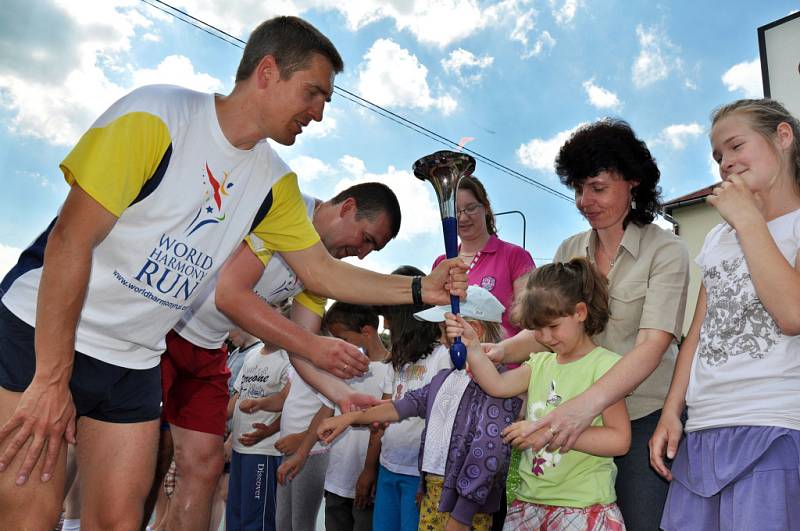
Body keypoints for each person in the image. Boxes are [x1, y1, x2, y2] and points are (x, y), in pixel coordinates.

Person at [0, 15, 465, 530]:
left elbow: (323, 274)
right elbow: (70, 241)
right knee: (29, 515)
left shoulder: (274, 183)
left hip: (134, 359)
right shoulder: (157, 114)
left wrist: (423, 288)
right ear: (267, 72)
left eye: (325, 102)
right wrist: (51, 376)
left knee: (118, 521)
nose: (318, 114)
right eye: (313, 94)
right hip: (44, 332)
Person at [145, 183, 402, 530]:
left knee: (202, 469)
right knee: (149, 466)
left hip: (207, 350)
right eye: (367, 239)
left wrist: (344, 395)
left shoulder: (317, 274)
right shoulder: (286, 206)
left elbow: (300, 353)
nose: (361, 254)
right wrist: (314, 346)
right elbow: (231, 296)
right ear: (348, 207)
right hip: (162, 330)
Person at [489, 119, 689, 529]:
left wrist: (586, 406)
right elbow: (547, 330)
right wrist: (496, 352)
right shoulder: (569, 250)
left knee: (640, 521)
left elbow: (653, 344)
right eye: (579, 189)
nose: (585, 200)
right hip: (571, 418)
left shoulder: (666, 250)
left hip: (640, 418)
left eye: (597, 188)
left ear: (633, 182)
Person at [649, 99, 800, 530]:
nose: (726, 163)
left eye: (735, 146)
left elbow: (792, 314)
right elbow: (697, 332)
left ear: (783, 137)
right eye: (718, 157)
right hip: (705, 428)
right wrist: (671, 412)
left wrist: (750, 222)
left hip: (773, 423)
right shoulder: (717, 237)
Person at [319, 285, 519, 531]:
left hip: (467, 506)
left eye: (444, 332)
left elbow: (488, 454)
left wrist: (462, 517)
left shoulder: (498, 388)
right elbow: (402, 406)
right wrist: (350, 419)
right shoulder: (446, 377)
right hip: (434, 492)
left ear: (473, 330)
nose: (442, 341)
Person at [450, 259, 630, 530]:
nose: (545, 337)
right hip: (529, 504)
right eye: (537, 329)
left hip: (581, 507)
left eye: (553, 326)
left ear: (580, 312)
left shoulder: (606, 367)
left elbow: (619, 440)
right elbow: (497, 385)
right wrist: (473, 347)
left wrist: (547, 432)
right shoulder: (540, 363)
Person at [362, 266, 452, 531]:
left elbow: (446, 424)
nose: (386, 326)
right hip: (389, 467)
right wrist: (371, 468)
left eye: (389, 317)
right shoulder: (398, 362)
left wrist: (429, 479)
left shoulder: (442, 357)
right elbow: (388, 412)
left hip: (419, 475)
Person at [432, 175, 534, 339]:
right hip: (452, 362)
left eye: (471, 208)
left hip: (503, 362)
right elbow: (437, 326)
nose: (463, 217)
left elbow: (532, 321)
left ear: (486, 207)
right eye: (456, 211)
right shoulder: (441, 263)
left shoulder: (515, 256)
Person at [321, 302, 391, 531]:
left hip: (366, 481)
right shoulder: (343, 368)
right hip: (336, 478)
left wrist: (369, 470)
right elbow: (328, 413)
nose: (340, 346)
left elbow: (383, 425)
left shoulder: (392, 369)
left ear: (367, 332)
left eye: (344, 339)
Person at [225, 321, 290, 531]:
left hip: (264, 450)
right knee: (235, 512)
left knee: (257, 518)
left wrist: (267, 431)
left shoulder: (288, 361)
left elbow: (287, 403)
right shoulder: (251, 356)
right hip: (239, 447)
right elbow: (238, 397)